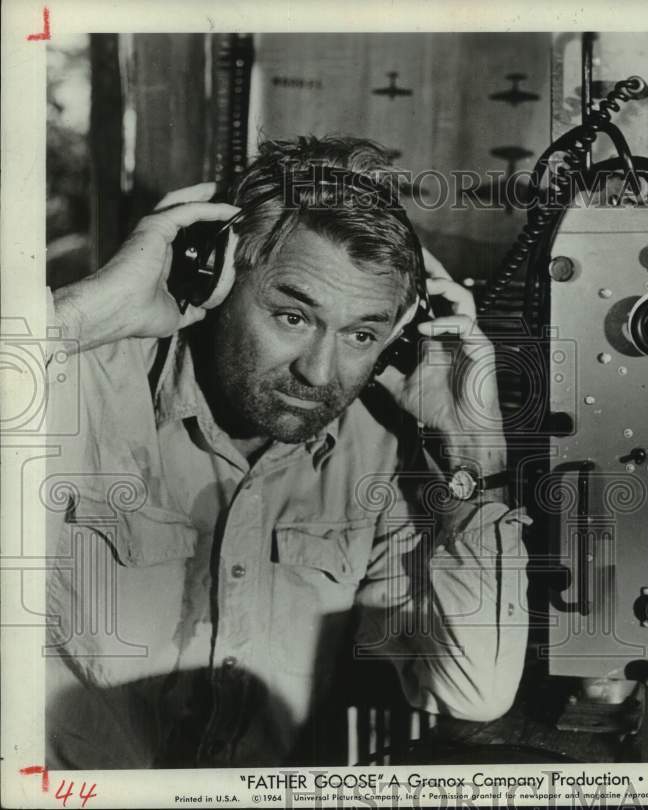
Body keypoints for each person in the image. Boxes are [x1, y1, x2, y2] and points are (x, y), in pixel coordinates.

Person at [44, 136, 529, 768]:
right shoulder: (75, 385)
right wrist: (84, 315)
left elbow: (476, 691)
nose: (319, 372)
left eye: (361, 334)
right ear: (212, 279)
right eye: (293, 317)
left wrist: (472, 449)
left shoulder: (377, 449)